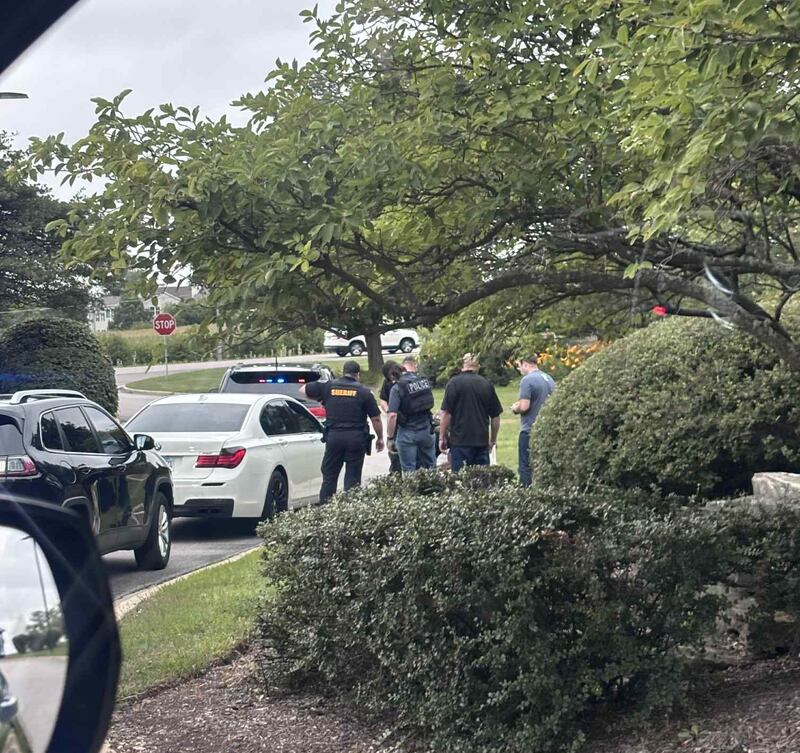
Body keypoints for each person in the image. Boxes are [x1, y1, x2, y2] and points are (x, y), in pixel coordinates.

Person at [303, 360, 384, 502]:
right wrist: (380, 438)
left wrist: (321, 399)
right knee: (353, 477)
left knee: (329, 476)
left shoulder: (328, 387)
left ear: (343, 372)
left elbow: (303, 390)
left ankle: (325, 509)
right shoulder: (364, 392)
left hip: (334, 438)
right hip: (356, 438)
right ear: (357, 375)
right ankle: (348, 511)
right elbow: (376, 419)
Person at [439, 353, 503, 471]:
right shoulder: (486, 384)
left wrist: (442, 437)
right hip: (481, 441)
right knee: (482, 480)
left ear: (463, 364)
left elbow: (446, 413)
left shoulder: (454, 383)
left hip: (460, 441)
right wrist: (493, 439)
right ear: (478, 366)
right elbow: (495, 417)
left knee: (460, 480)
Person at [511, 355, 556, 487]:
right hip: (546, 429)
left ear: (525, 363)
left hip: (530, 429)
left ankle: (526, 496)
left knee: (525, 466)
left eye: (519, 365)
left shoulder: (527, 380)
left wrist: (515, 408)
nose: (519, 369)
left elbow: (524, 406)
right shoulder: (549, 378)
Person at [387, 355, 436, 472]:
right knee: (430, 469)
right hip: (426, 430)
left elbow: (392, 415)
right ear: (415, 366)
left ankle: (412, 491)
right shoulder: (423, 383)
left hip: (407, 433)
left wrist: (390, 438)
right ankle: (433, 490)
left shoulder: (397, 387)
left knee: (409, 472)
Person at [379, 360, 404, 475]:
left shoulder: (406, 381)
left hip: (406, 423)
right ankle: (396, 473)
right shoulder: (387, 383)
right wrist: (388, 409)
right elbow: (382, 399)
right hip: (395, 423)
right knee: (394, 455)